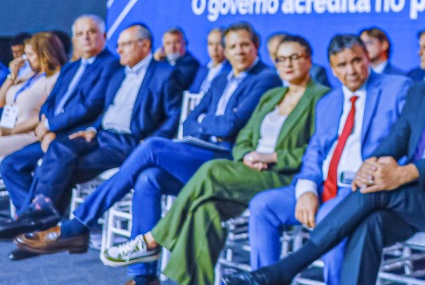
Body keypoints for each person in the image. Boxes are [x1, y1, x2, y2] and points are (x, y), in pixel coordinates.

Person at [226, 20, 425, 285]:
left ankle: (285, 270)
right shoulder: (420, 91)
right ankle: (276, 273)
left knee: (372, 193)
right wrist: (369, 165)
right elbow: (396, 139)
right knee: (370, 225)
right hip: (408, 196)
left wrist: (400, 173)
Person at [10, 21, 280, 285]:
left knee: (149, 147)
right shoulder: (222, 78)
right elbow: (192, 121)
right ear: (227, 50)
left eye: (245, 45)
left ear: (256, 46)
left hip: (226, 159)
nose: (239, 51)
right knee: (147, 178)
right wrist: (211, 123)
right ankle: (143, 276)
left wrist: (207, 123)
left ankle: (79, 222)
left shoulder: (265, 77)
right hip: (197, 148)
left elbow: (230, 125)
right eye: (233, 46)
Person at [63, 35, 328, 285]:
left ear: (309, 58)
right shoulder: (272, 96)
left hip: (279, 174)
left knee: (190, 162)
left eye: (295, 57)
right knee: (188, 200)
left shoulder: (319, 97)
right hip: (243, 165)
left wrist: (272, 155)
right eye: (282, 59)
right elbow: (240, 133)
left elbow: (317, 150)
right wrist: (247, 153)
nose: (288, 64)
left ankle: (151, 239)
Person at [247, 34, 410, 285]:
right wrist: (306, 190)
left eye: (356, 61)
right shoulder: (328, 102)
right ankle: (265, 281)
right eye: (342, 66)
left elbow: (407, 142)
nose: (351, 71)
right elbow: (314, 153)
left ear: (367, 58)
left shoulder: (397, 89)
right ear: (332, 70)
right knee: (263, 206)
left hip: (359, 188)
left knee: (330, 218)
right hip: (324, 185)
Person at [0, 24, 182, 239]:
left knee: (62, 166)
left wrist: (152, 141)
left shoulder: (163, 73)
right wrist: (92, 129)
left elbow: (173, 116)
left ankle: (41, 221)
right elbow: (105, 111)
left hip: (129, 141)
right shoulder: (120, 74)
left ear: (145, 45)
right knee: (59, 148)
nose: (120, 49)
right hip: (100, 135)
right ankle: (39, 216)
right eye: (119, 44)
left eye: (126, 44)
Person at [0, 14, 119, 213]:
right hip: (49, 134)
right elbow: (50, 103)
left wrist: (49, 127)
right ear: (75, 39)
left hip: (74, 136)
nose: (86, 38)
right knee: (11, 165)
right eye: (80, 34)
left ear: (104, 35)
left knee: (44, 168)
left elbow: (89, 107)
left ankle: (34, 221)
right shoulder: (72, 68)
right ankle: (30, 219)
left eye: (91, 32)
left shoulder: (110, 65)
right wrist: (46, 128)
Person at [0, 32, 65, 158]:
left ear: (44, 55)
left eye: (30, 54)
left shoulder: (55, 79)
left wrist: (12, 131)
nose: (25, 59)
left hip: (28, 134)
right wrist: (12, 76)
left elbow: (49, 113)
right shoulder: (28, 75)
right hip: (7, 130)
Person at [191, 26, 227, 96]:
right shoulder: (203, 69)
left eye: (219, 44)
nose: (214, 48)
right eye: (210, 44)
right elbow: (193, 91)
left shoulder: (231, 70)